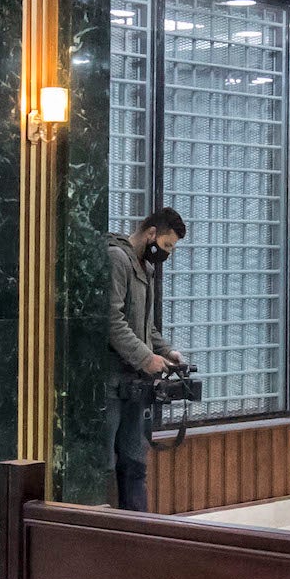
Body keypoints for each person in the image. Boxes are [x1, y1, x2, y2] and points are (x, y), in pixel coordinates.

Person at [104, 207, 190, 513]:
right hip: (112, 383)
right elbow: (112, 322)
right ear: (151, 233)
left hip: (135, 384)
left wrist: (166, 352)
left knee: (135, 461)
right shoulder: (117, 259)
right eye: (166, 245)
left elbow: (145, 326)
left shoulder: (146, 268)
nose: (166, 253)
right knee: (105, 465)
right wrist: (145, 358)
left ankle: (139, 533)